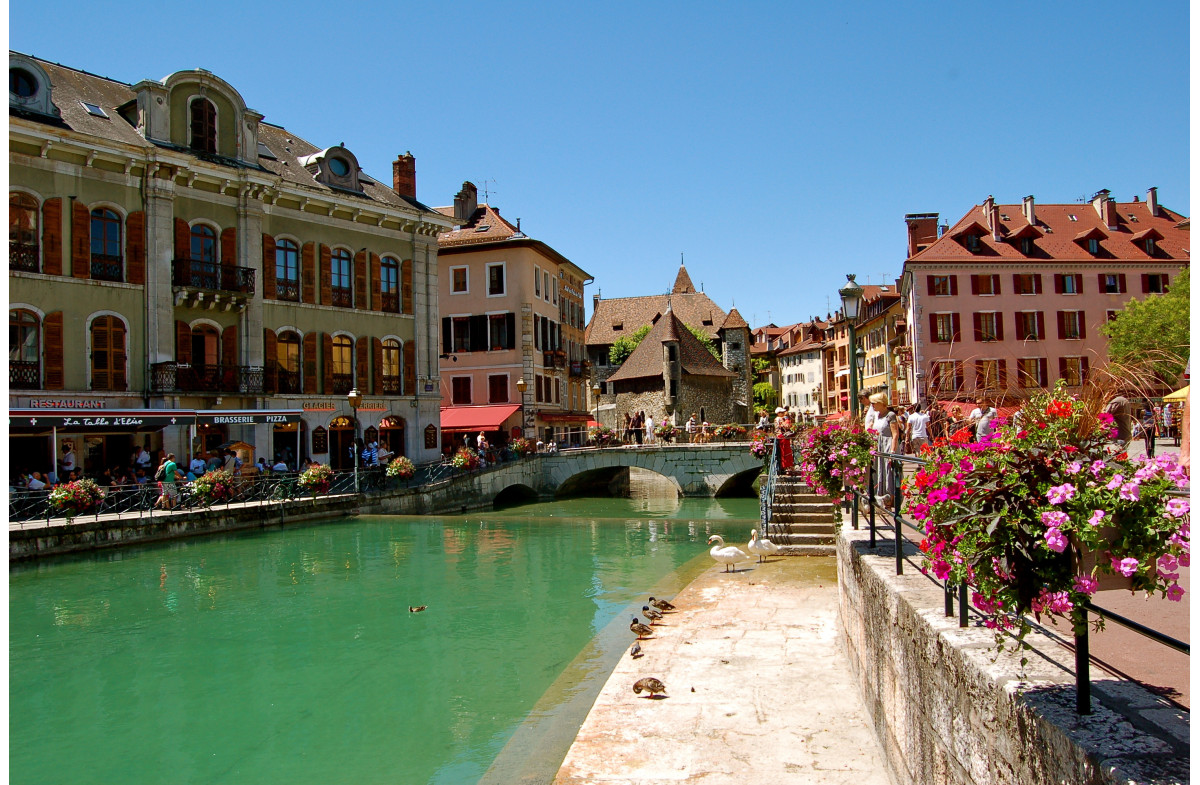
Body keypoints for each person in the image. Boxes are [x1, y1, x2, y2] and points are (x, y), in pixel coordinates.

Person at [870, 393, 900, 507]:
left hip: (887, 445)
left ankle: (891, 501)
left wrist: (892, 450)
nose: (872, 405)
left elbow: (895, 434)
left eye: (874, 403)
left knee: (889, 472)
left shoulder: (891, 415)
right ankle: (881, 498)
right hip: (878, 446)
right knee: (879, 471)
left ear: (881, 403)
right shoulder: (876, 416)